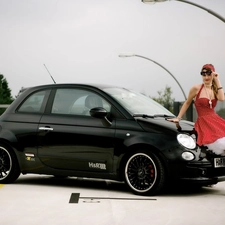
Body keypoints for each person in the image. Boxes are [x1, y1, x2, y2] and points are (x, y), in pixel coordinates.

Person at [168, 64, 225, 156]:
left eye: (209, 74)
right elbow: (187, 103)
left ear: (213, 74)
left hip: (215, 121)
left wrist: (217, 79)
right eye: (203, 74)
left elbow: (222, 98)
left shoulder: (215, 89)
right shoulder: (196, 88)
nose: (206, 77)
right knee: (217, 146)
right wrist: (178, 118)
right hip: (203, 122)